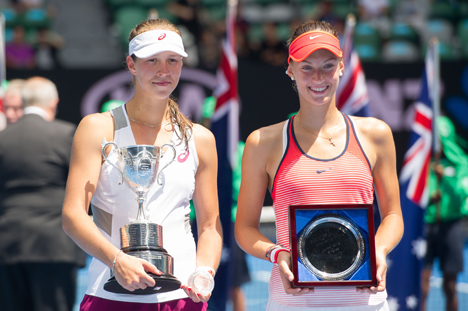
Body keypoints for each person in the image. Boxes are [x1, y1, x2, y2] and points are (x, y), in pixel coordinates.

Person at [235, 20, 403, 310]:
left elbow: (393, 216)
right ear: (290, 70)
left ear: (341, 66)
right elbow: (245, 228)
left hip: (366, 302)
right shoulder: (262, 141)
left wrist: (380, 250)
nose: (318, 77)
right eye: (306, 67)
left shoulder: (376, 135)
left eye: (327, 65)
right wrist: (278, 254)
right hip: (292, 302)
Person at [62, 18, 222, 310]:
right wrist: (116, 260)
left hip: (182, 297)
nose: (164, 71)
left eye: (172, 60)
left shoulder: (200, 138)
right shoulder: (98, 128)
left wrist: (205, 271)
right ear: (131, 64)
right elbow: (73, 215)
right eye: (152, 61)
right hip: (108, 293)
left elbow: (210, 225)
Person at [0, 76, 87, 311]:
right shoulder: (66, 134)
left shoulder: (2, 138)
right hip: (54, 244)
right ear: (53, 102)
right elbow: (85, 189)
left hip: (8, 244)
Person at [420, 116, 468, 311]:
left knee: (450, 286)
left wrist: (445, 179)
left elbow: (462, 198)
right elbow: (412, 196)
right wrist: (430, 196)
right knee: (421, 286)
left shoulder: (461, 164)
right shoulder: (420, 162)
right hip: (425, 227)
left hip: (451, 227)